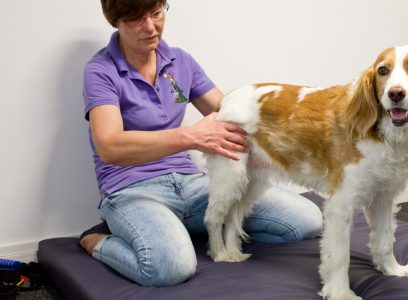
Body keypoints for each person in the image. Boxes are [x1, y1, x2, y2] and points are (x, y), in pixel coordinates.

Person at [80, 0, 323, 287]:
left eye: (156, 14)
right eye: (136, 19)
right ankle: (97, 241)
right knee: (171, 267)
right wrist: (189, 137)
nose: (150, 27)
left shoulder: (179, 62)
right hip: (131, 189)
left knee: (306, 220)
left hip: (192, 184)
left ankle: (178, 229)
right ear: (115, 21)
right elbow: (110, 146)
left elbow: (227, 114)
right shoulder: (101, 70)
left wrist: (273, 138)